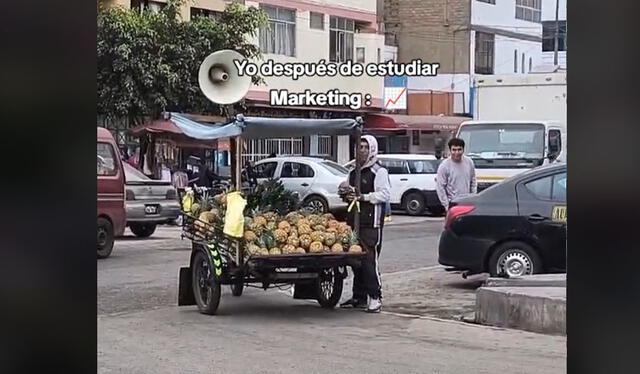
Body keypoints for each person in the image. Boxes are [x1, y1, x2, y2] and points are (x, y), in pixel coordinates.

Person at [339, 135, 390, 313]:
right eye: (359, 147)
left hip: (371, 222)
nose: (361, 150)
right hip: (355, 221)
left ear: (372, 150)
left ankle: (375, 296)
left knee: (369, 260)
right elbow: (349, 189)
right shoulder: (353, 171)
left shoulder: (378, 171)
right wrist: (345, 192)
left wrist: (364, 197)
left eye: (365, 147)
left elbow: (384, 195)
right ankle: (358, 296)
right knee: (355, 260)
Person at [435, 138, 477, 212]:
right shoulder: (444, 166)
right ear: (450, 150)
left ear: (463, 150)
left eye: (459, 149)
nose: (456, 152)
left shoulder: (469, 162)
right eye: (454, 150)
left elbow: (473, 181)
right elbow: (440, 187)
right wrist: (447, 206)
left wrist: (473, 198)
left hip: (467, 203)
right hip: (453, 204)